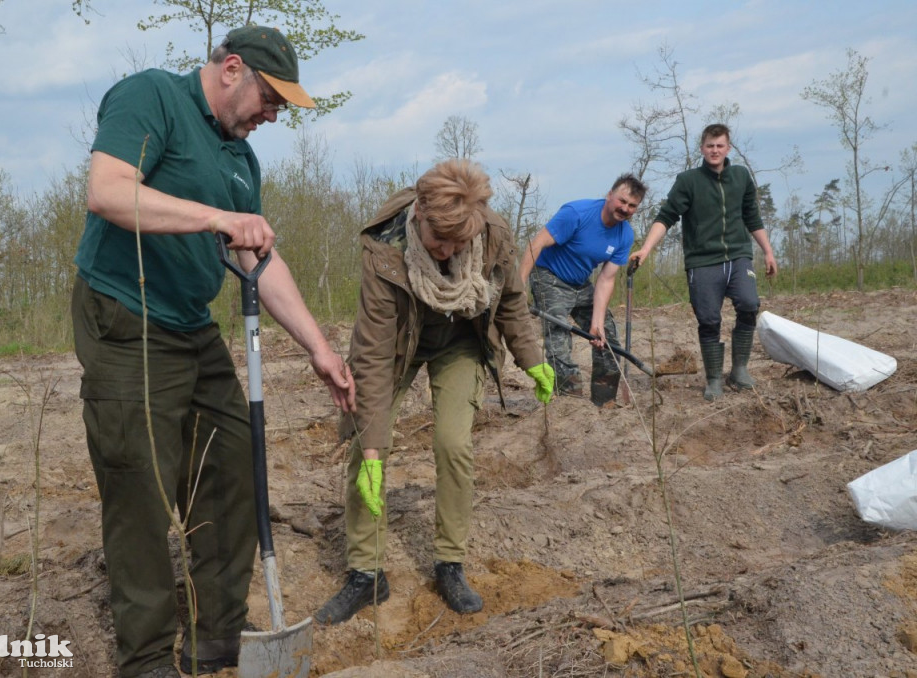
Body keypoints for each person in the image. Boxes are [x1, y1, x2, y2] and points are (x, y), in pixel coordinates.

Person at [70, 26, 355, 678]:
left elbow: (258, 257)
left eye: (283, 107)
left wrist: (318, 348)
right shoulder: (152, 99)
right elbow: (108, 190)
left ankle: (217, 636)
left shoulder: (239, 160)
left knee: (231, 465)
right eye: (271, 99)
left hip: (191, 327)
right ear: (233, 70)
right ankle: (145, 659)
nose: (273, 116)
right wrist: (215, 218)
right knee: (140, 487)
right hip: (124, 317)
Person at [315, 159, 555, 625]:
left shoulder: (493, 236)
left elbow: (510, 304)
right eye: (438, 241)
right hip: (399, 345)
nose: (446, 252)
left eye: (458, 243)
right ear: (420, 214)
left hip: (462, 342)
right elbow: (373, 356)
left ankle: (450, 563)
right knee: (368, 455)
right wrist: (370, 448)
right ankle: (367, 572)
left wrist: (533, 361)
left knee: (453, 442)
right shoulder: (384, 246)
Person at [629, 123, 777, 401]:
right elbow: (666, 217)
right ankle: (713, 380)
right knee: (708, 319)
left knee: (749, 304)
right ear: (702, 148)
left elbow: (752, 218)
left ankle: (740, 370)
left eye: (720, 145)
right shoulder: (688, 181)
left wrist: (767, 251)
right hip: (702, 261)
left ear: (728, 148)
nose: (715, 150)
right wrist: (646, 249)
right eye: (710, 145)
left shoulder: (741, 177)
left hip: (738, 255)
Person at [519, 174, 647, 406]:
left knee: (607, 335)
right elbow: (536, 243)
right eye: (622, 201)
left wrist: (596, 322)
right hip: (549, 276)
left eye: (632, 206)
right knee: (558, 334)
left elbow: (607, 279)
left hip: (581, 283)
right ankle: (569, 402)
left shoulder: (625, 235)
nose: (625, 209)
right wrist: (519, 284)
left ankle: (604, 401)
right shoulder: (577, 213)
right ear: (609, 195)